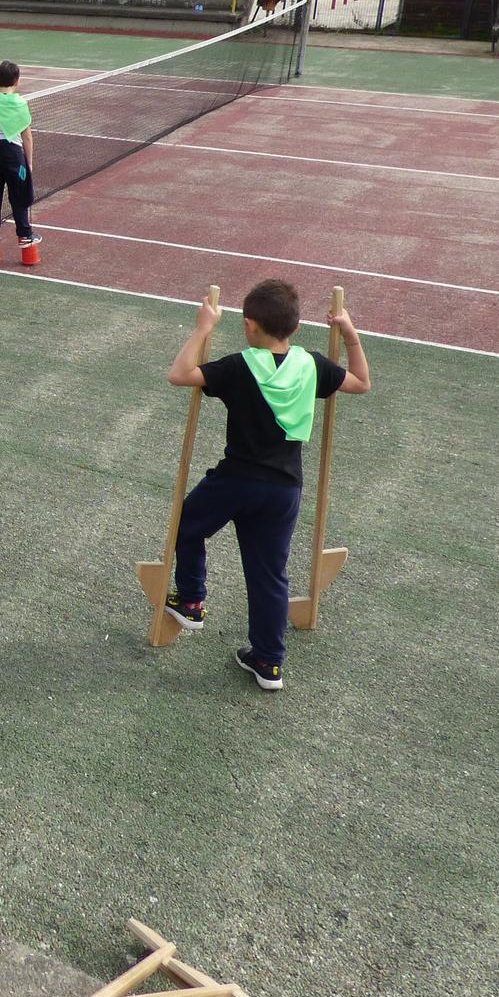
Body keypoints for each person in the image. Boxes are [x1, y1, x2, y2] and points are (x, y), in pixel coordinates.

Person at [164, 280, 372, 691]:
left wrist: (203, 327)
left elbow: (179, 374)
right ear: (294, 327)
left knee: (185, 525)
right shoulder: (312, 365)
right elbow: (362, 382)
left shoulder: (241, 366)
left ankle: (190, 601)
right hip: (283, 491)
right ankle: (269, 662)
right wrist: (349, 333)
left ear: (249, 325)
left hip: (236, 480)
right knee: (269, 574)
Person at [0, 60, 38, 257]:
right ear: (17, 81)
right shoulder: (21, 103)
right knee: (19, 197)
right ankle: (26, 239)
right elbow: (27, 136)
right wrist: (28, 162)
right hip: (14, 154)